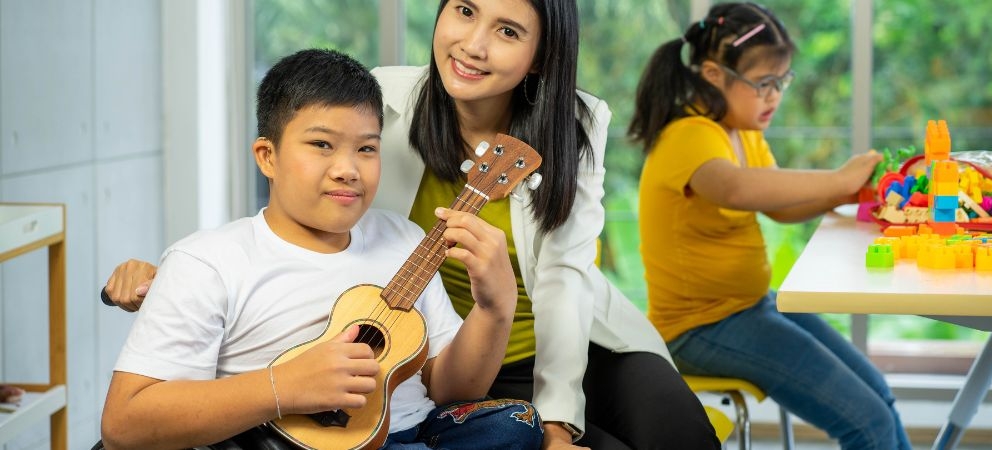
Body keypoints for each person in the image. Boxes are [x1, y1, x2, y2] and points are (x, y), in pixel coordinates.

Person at [104, 1, 721, 448]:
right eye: (464, 11)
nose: (473, 44)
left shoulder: (577, 121)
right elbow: (300, 204)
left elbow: (564, 275)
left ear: (541, 57)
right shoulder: (384, 99)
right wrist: (181, 273)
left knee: (679, 433)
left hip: (558, 339)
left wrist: (558, 420)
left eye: (507, 31)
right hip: (431, 349)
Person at [100, 48, 542, 450]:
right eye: (321, 145)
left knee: (516, 423)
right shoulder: (208, 262)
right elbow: (123, 424)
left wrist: (495, 308)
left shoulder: (405, 238)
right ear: (267, 156)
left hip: (411, 434)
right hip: (280, 437)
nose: (348, 169)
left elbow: (451, 391)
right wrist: (283, 387)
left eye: (366, 148)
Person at [627, 3, 911, 449]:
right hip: (700, 328)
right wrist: (838, 179)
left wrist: (848, 193)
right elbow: (737, 189)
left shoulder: (741, 131)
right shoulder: (689, 134)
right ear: (713, 75)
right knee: (868, 424)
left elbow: (779, 205)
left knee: (878, 393)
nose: (775, 96)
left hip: (750, 305)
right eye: (763, 84)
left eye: (782, 81)